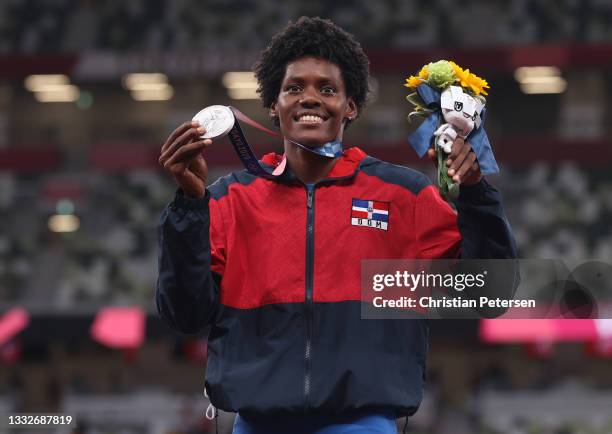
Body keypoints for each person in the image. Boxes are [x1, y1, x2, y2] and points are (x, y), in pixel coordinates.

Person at [156, 16, 517, 434]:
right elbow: (183, 315)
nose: (310, 98)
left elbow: (488, 294)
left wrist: (475, 195)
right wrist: (190, 206)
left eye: (327, 88)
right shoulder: (227, 201)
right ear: (273, 105)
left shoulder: (404, 195)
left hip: (365, 424)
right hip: (257, 424)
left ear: (351, 106)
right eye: (294, 88)